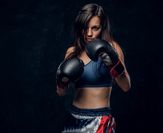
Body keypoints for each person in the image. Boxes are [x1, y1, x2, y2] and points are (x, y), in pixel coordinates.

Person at [56, 3, 131, 133]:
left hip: (100, 120)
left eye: (95, 28)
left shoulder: (112, 48)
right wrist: (62, 81)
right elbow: (60, 92)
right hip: (74, 119)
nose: (89, 33)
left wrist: (114, 64)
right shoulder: (72, 52)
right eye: (85, 28)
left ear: (102, 28)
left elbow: (126, 86)